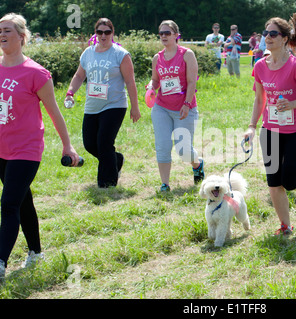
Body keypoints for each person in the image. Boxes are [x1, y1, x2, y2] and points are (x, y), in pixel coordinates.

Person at [0, 13, 80, 280]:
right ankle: (35, 252)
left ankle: (0, 262)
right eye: (0, 30)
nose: (2, 34)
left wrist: (67, 146)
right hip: (1, 148)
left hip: (26, 149)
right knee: (22, 201)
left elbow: (54, 113)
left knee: (8, 203)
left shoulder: (36, 73)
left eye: (7, 30)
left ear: (21, 37)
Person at [244, 13, 296, 236]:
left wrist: (293, 103)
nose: (268, 37)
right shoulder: (259, 66)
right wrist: (251, 125)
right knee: (273, 181)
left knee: (289, 181)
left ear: (285, 38)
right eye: (266, 33)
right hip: (270, 130)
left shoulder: (295, 65)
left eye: (273, 33)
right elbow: (260, 99)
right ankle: (286, 226)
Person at [65, 18, 140, 189]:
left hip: (114, 104)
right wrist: (70, 92)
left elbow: (130, 81)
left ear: (112, 33)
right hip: (92, 106)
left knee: (104, 142)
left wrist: (135, 107)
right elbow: (79, 76)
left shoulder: (120, 54)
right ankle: (116, 159)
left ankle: (107, 184)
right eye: (100, 32)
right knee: (90, 144)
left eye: (107, 32)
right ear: (95, 33)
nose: (103, 35)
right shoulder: (88, 53)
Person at [146, 20, 203, 192]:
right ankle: (165, 184)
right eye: (161, 33)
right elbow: (156, 80)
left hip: (184, 108)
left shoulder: (187, 54)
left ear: (176, 35)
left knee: (183, 150)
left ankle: (197, 164)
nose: (163, 36)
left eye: (167, 33)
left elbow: (192, 81)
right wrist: (151, 86)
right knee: (162, 145)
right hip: (161, 107)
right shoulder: (157, 57)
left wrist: (187, 104)